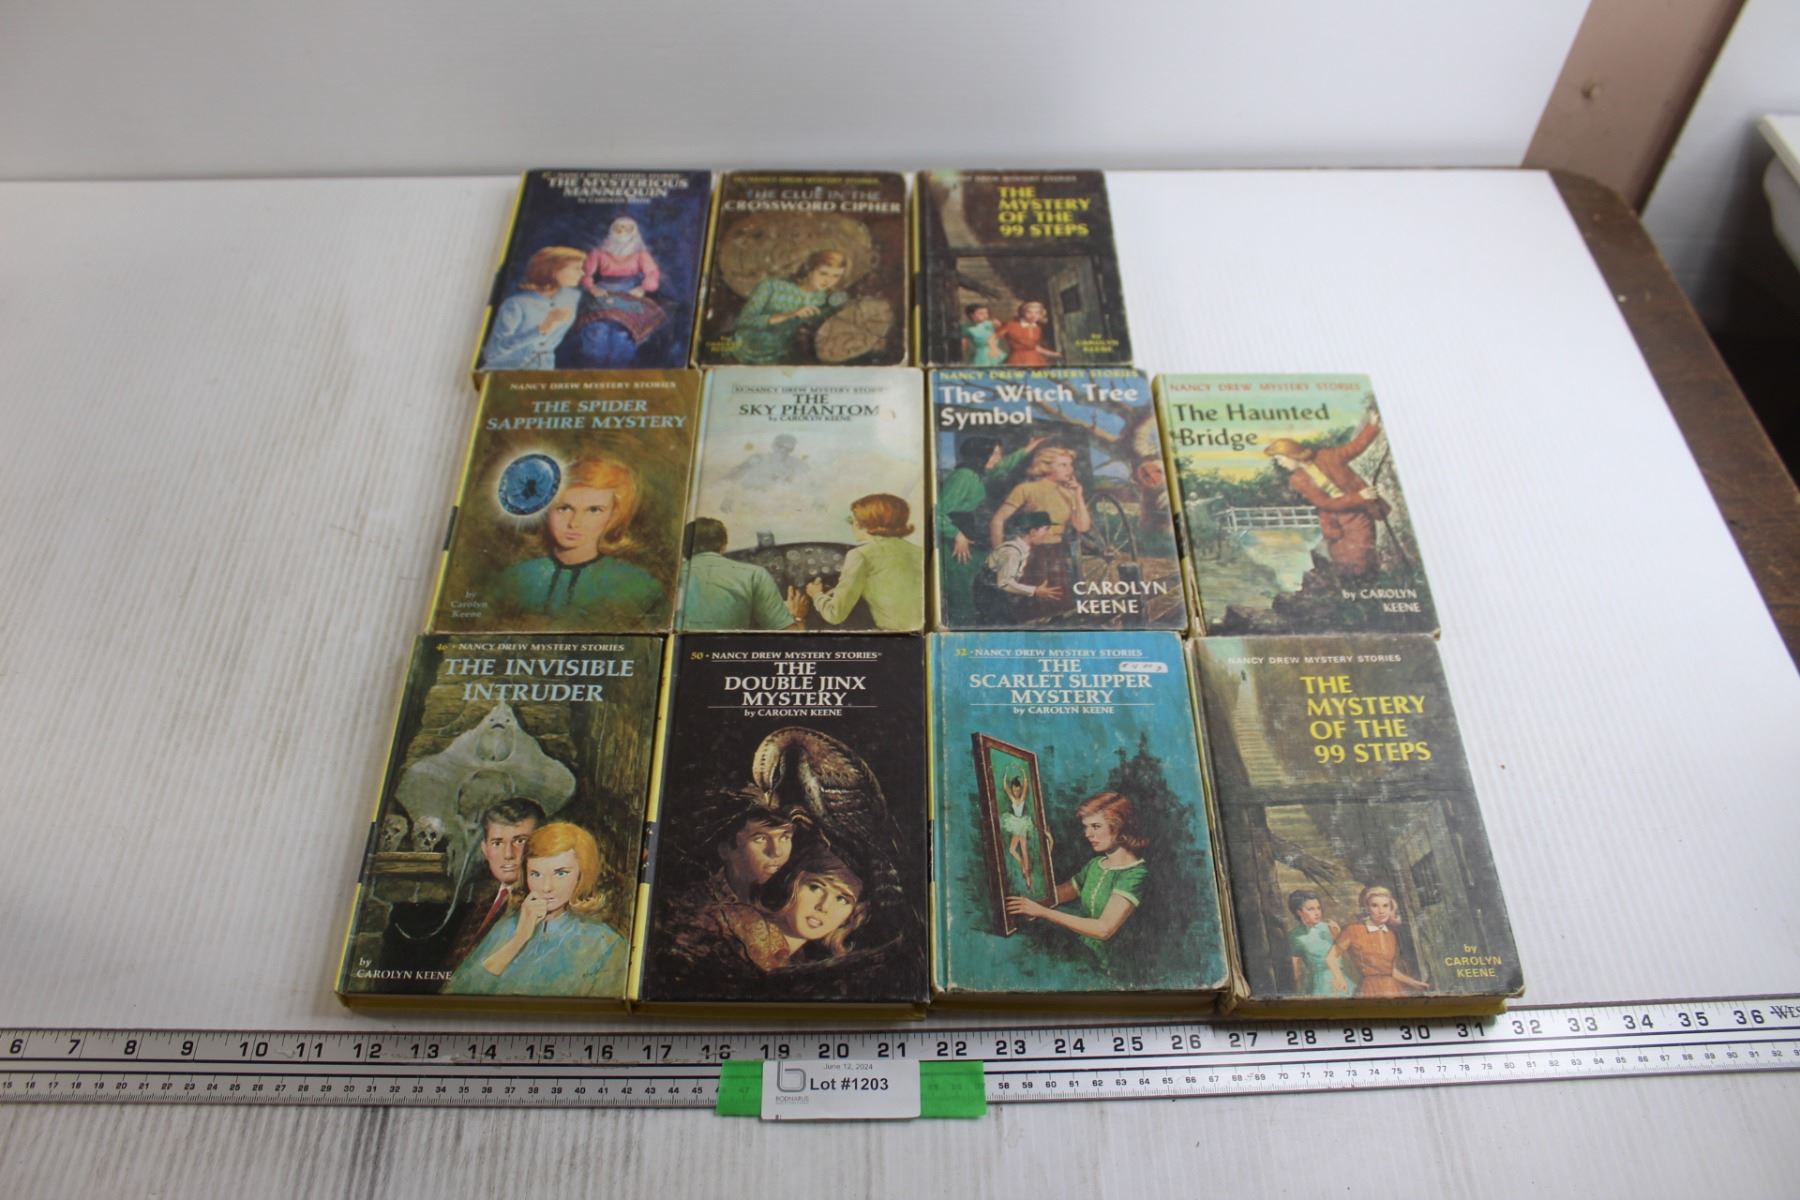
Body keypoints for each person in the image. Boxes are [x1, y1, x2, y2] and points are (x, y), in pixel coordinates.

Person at [445, 823, 626, 997]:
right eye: (536, 874)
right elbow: (456, 990)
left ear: (583, 874)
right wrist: (519, 939)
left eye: (560, 873)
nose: (546, 887)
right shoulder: (509, 925)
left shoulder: (606, 944)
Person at [487, 456, 665, 628]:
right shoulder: (514, 579)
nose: (574, 523)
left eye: (594, 510)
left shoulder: (638, 586)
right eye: (564, 508)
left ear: (614, 516)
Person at [1005, 792, 1147, 968]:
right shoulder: (1096, 865)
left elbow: (1104, 929)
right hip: (1083, 953)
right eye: (1086, 827)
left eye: (1096, 826)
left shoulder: (1136, 874)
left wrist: (1042, 911)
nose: (1088, 834)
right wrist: (1041, 854)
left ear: (1119, 827)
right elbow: (1056, 895)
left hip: (1111, 965)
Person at [934, 434, 1045, 625]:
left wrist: (1029, 447)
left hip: (971, 541)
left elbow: (1004, 465)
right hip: (956, 547)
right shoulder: (963, 477)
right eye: (994, 454)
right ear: (980, 455)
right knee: (962, 594)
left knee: (984, 588)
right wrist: (957, 535)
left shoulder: (980, 473)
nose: (998, 459)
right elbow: (937, 513)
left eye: (999, 454)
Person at [1262, 410, 1389, 575]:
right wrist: (1359, 496)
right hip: (1334, 520)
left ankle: (1366, 582)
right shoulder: (1297, 479)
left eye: (1280, 459)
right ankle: (1350, 585)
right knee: (1340, 556)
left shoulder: (1327, 457)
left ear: (1291, 454)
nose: (1280, 464)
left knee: (1361, 554)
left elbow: (1353, 448)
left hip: (1357, 514)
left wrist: (1372, 426)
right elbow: (1325, 503)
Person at [710, 843, 868, 971]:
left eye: (842, 899)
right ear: (791, 884)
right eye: (815, 887)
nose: (824, 906)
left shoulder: (797, 962)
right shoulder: (736, 928)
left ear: (851, 914)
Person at [792, 494, 923, 631]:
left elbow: (834, 614)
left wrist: (816, 594)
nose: (853, 525)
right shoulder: (919, 552)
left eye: (853, 520)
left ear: (865, 523)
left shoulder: (861, 555)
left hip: (892, 634)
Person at [443, 798, 547, 970]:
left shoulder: (542, 906)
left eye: (520, 841)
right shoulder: (488, 901)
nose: (508, 854)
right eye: (497, 843)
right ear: (485, 849)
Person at [987, 445, 1090, 616]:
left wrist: (1078, 495)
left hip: (1056, 555)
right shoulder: (1026, 489)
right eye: (1063, 465)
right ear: (1046, 466)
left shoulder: (1069, 493)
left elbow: (1083, 527)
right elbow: (997, 520)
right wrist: (1000, 553)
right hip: (1031, 555)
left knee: (1060, 607)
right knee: (1032, 608)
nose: (1070, 469)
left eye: (1070, 465)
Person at [567, 217, 667, 367]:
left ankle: (618, 368)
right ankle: (594, 368)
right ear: (612, 230)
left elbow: (653, 274)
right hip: (603, 293)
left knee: (623, 332)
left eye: (627, 229)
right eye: (619, 228)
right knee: (597, 329)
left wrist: (642, 288)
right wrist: (592, 288)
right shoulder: (598, 253)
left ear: (633, 232)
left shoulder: (641, 255)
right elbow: (585, 274)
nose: (622, 232)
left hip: (630, 293)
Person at [728, 250, 851, 364]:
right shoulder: (771, 287)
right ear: (809, 270)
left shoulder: (823, 299)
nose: (828, 281)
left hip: (779, 359)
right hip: (741, 353)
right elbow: (743, 321)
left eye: (836, 276)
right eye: (823, 273)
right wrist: (788, 315)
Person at [679, 518, 801, 630]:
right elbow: (788, 634)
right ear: (723, 546)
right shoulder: (755, 575)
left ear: (684, 548)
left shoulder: (673, 577)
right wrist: (796, 616)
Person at [481, 246, 585, 370]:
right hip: (506, 371)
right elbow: (493, 353)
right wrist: (541, 329)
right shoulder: (516, 304)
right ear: (553, 270)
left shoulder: (572, 297)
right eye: (576, 268)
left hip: (543, 371)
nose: (582, 273)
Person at [1325, 885, 1429, 998]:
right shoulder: (1353, 930)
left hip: (1393, 989)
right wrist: (1339, 977)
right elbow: (1331, 956)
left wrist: (1413, 983)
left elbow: (1389, 970)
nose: (1381, 911)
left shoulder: (1390, 935)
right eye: (1375, 905)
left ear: (1390, 908)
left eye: (1385, 906)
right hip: (1370, 989)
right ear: (1367, 908)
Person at [972, 510, 1063, 624]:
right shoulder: (1012, 553)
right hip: (990, 595)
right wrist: (1035, 590)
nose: (1050, 534)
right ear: (1033, 532)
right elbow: (1004, 583)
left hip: (997, 593)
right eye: (1046, 529)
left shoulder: (1022, 549)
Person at [1286, 888, 1350, 997]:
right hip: (1318, 984)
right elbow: (1295, 970)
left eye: (1318, 908)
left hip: (1342, 980)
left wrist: (1338, 936)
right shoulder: (1294, 936)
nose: (1317, 913)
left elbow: (1349, 959)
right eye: (1311, 909)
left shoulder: (1331, 928)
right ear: (1299, 912)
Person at [998, 770, 1039, 893]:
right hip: (1016, 823)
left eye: (1018, 790)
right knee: (1013, 850)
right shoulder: (1012, 798)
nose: (1016, 792)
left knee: (1024, 851)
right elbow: (1006, 788)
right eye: (1014, 790)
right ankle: (1024, 869)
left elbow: (1026, 785)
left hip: (1021, 824)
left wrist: (1023, 773)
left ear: (1020, 790)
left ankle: (1028, 878)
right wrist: (1005, 775)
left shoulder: (1022, 798)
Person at [995, 300, 1063, 367]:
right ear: (1023, 313)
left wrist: (1055, 354)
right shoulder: (1011, 325)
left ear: (1041, 314)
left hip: (1035, 360)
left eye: (1037, 313)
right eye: (1029, 312)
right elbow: (994, 338)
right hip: (1017, 360)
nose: (1033, 316)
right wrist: (995, 350)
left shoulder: (1037, 328)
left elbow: (1035, 347)